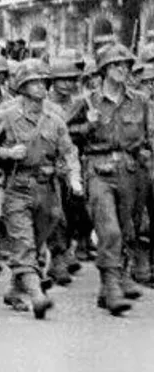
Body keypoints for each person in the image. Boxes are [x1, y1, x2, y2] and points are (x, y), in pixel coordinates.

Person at [0, 59, 79, 319]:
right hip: (17, 188)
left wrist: (74, 177)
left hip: (48, 190)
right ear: (22, 87)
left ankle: (15, 288)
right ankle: (37, 296)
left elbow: (68, 152)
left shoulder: (55, 119)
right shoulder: (6, 116)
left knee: (35, 241)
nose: (41, 87)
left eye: (43, 82)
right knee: (23, 243)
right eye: (34, 83)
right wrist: (8, 153)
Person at [64, 42, 150, 315]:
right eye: (116, 66)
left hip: (131, 170)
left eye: (126, 66)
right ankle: (111, 284)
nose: (122, 70)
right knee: (108, 229)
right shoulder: (86, 101)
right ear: (103, 70)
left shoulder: (140, 101)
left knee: (128, 229)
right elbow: (64, 136)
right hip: (98, 169)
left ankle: (115, 278)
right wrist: (87, 124)